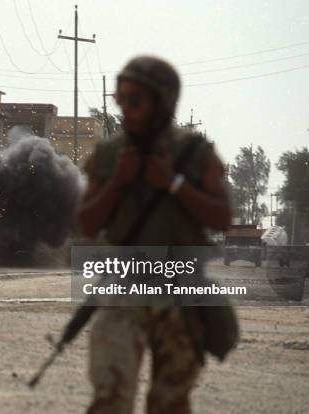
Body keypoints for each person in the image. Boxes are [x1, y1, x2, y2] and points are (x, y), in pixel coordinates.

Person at [77, 55, 232, 414]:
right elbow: (86, 223)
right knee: (110, 397)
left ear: (162, 102)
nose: (125, 107)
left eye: (136, 99)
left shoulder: (195, 154)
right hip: (123, 287)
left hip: (179, 290)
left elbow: (223, 217)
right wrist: (117, 181)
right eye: (121, 98)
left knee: (169, 402)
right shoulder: (108, 153)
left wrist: (174, 183)